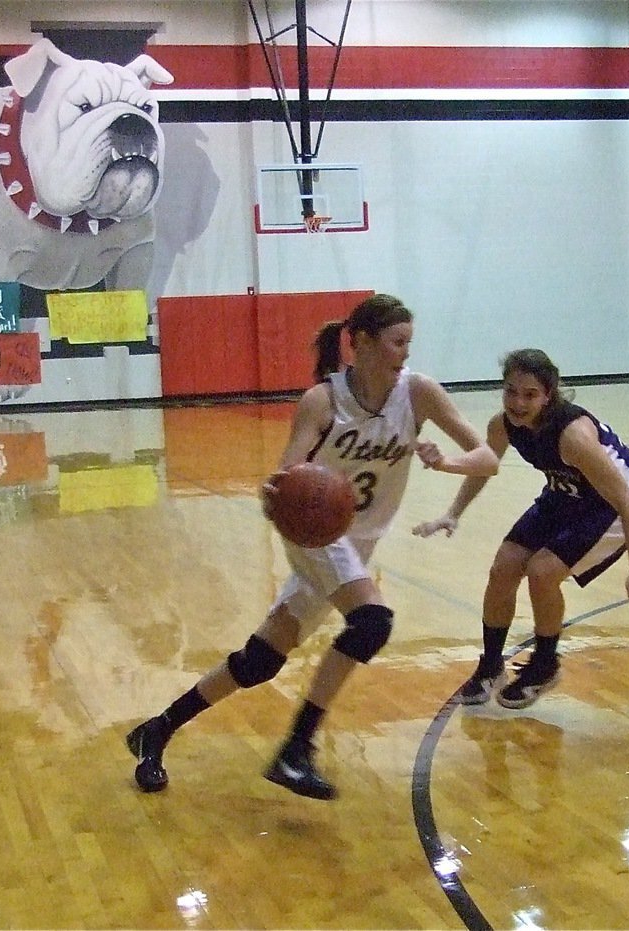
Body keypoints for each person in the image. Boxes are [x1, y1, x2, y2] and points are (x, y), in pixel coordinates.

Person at [125, 294, 499, 800]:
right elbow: (287, 474)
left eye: (409, 342)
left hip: (357, 545)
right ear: (362, 342)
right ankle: (296, 749)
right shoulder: (323, 401)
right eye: (396, 342)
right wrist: (273, 493)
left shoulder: (419, 393)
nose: (405, 353)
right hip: (316, 534)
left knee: (261, 659)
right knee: (372, 622)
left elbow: (486, 459)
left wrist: (446, 462)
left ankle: (156, 730)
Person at [413, 348, 629, 709]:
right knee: (503, 566)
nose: (518, 403)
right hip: (565, 493)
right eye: (511, 391)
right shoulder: (502, 424)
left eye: (530, 394)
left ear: (548, 395)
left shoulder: (573, 437)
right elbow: (486, 465)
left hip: (615, 504)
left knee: (542, 572)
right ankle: (492, 665)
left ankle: (545, 664)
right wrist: (453, 512)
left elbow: (625, 501)